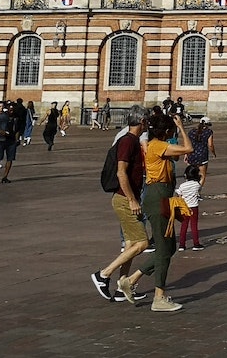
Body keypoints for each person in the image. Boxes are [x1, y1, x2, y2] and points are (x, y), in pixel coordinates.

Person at [118, 111, 192, 311]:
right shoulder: (158, 146)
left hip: (162, 195)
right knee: (163, 248)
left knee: (168, 248)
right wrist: (182, 128)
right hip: (157, 195)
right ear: (166, 130)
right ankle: (159, 297)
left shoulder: (157, 144)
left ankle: (131, 279)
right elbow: (188, 148)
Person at [92, 108, 149, 305]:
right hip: (125, 199)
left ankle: (121, 287)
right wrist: (132, 200)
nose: (148, 124)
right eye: (146, 121)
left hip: (128, 198)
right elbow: (121, 173)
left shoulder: (131, 140)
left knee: (132, 244)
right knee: (143, 243)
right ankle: (103, 274)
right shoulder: (127, 141)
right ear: (141, 121)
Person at [0, 99, 20, 182]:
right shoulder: (1, 116)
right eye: (10, 109)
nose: (11, 110)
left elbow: (18, 129)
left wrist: (17, 139)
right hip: (1, 139)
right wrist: (0, 131)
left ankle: (5, 176)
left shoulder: (16, 118)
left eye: (13, 109)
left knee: (10, 158)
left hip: (11, 141)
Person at [176, 165, 204, 251]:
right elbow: (199, 187)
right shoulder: (197, 185)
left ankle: (181, 245)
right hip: (194, 207)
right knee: (194, 226)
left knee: (184, 226)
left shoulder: (182, 186)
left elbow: (179, 195)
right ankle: (196, 243)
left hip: (184, 207)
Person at [186, 116, 216, 191]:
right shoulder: (208, 132)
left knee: (190, 174)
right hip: (202, 154)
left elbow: (188, 143)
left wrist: (186, 154)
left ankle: (189, 191)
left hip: (191, 154)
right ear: (208, 125)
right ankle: (197, 191)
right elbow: (210, 144)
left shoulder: (191, 131)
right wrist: (213, 152)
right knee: (202, 176)